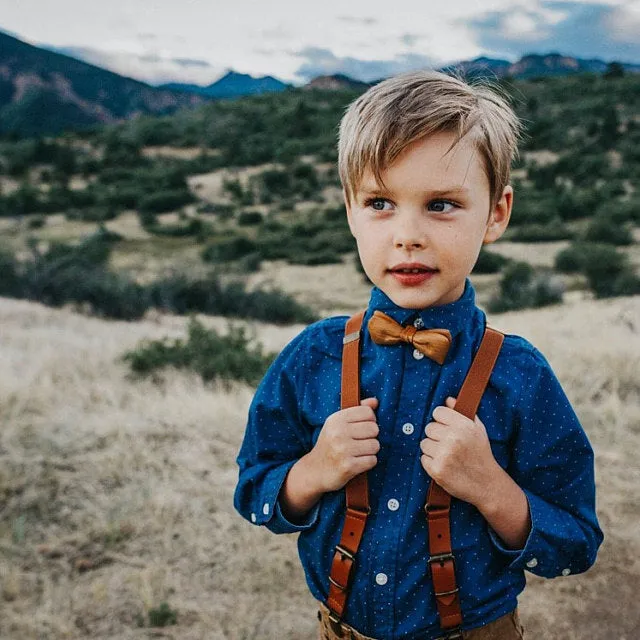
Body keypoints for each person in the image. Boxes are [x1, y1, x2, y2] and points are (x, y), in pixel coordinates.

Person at [233, 70, 603, 639]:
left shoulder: (520, 376)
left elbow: (576, 542)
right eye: (380, 202)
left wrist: (491, 487)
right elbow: (254, 490)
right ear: (351, 211)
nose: (408, 234)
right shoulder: (312, 357)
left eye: (442, 205)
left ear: (496, 214)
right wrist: (314, 470)